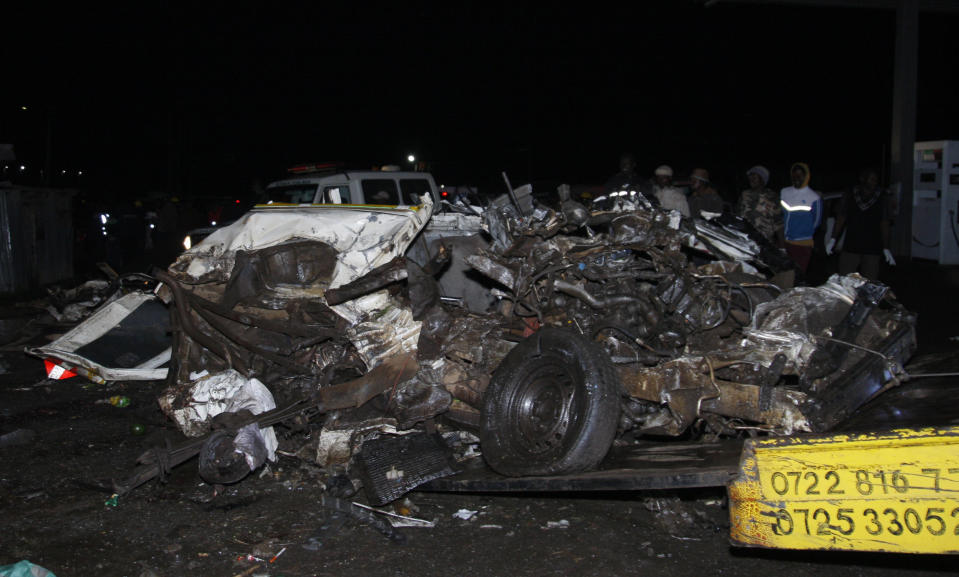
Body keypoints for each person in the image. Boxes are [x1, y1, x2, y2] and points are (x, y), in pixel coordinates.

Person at [824, 168, 896, 280]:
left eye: (876, 179)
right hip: (851, 246)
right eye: (871, 179)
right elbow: (841, 218)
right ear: (863, 179)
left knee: (870, 283)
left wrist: (886, 248)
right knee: (845, 280)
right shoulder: (850, 194)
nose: (874, 182)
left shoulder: (883, 196)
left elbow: (885, 223)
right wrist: (833, 239)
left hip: (872, 248)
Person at [780, 162, 822, 275]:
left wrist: (803, 232)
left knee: (798, 275)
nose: (797, 178)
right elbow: (780, 215)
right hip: (785, 241)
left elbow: (817, 222)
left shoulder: (813, 197)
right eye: (794, 175)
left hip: (803, 244)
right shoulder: (784, 192)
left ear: (806, 176)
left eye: (800, 175)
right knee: (783, 274)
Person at [737, 165, 784, 246]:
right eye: (750, 177)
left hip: (764, 242)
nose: (751, 179)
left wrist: (782, 247)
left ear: (763, 179)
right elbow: (737, 215)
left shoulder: (773, 197)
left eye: (754, 177)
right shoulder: (744, 194)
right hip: (743, 239)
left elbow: (779, 224)